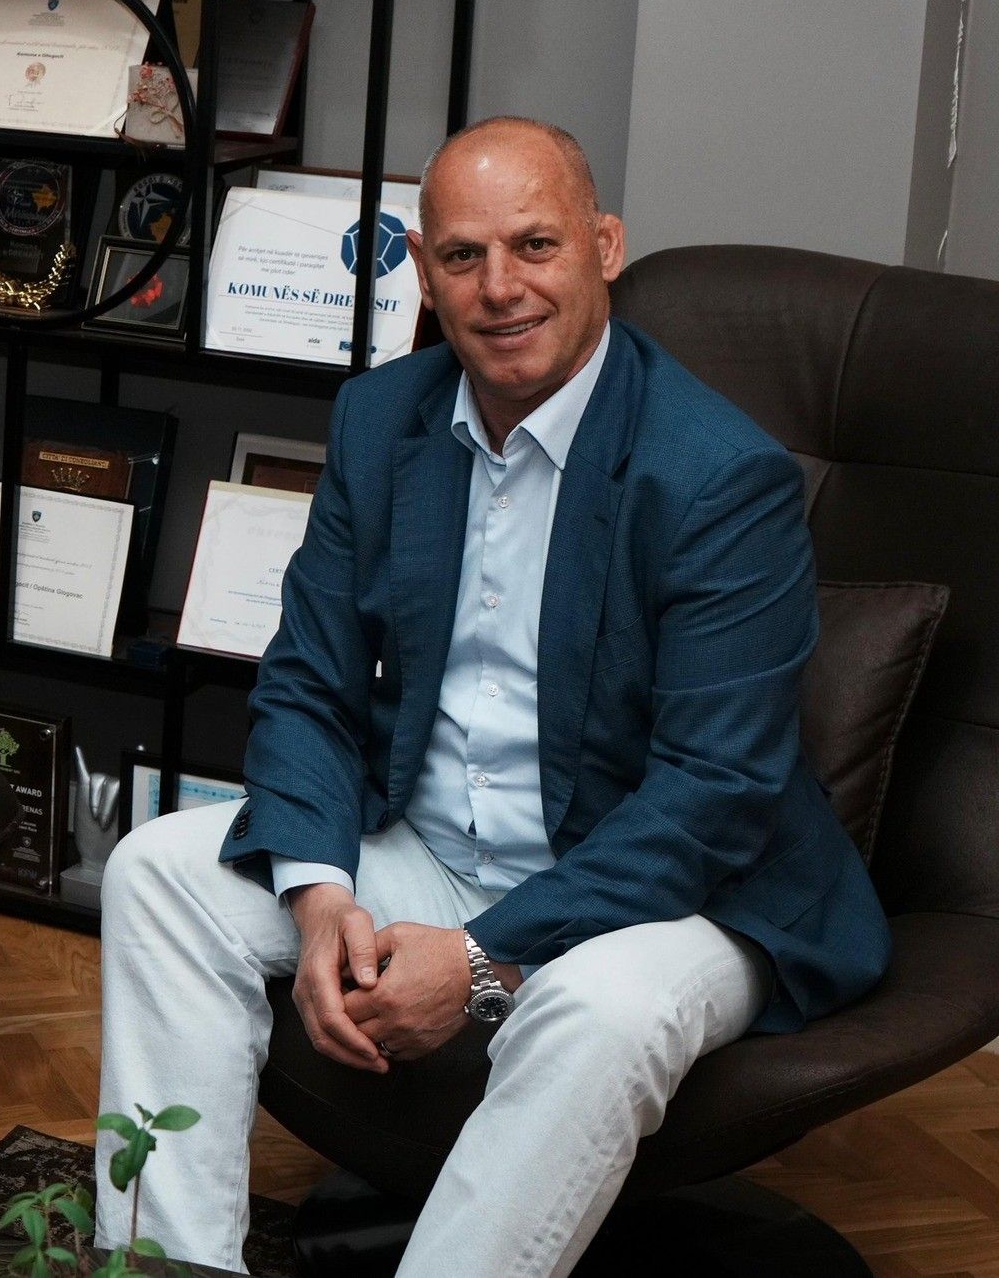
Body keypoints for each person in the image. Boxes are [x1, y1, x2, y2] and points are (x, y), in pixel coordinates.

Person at [94, 117, 890, 1276]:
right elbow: (309, 680)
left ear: (603, 247)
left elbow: (713, 794)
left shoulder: (716, 475)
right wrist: (318, 897)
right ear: (422, 271)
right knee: (156, 875)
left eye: (535, 245)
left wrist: (477, 957)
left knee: (595, 1010)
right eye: (463, 256)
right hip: (439, 846)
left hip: (676, 895)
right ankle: (166, 1267)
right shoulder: (382, 420)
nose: (499, 288)